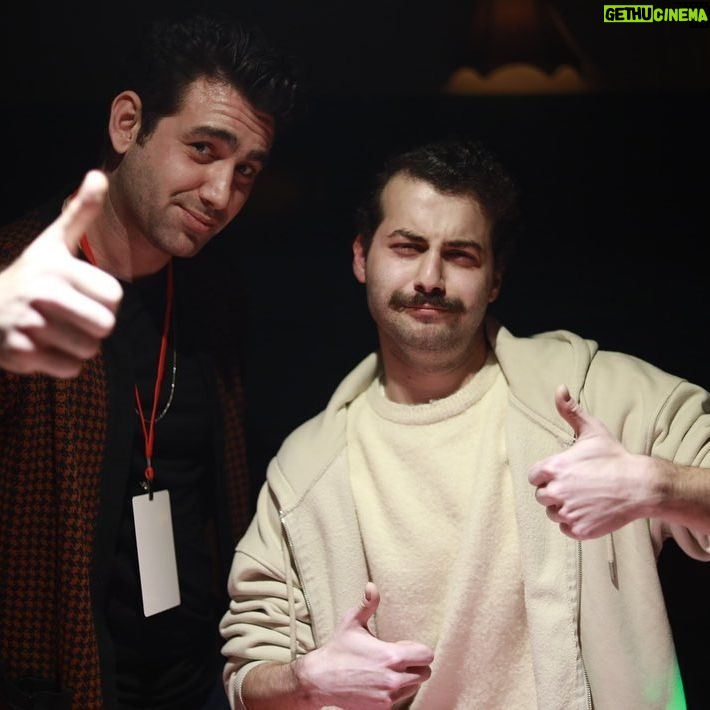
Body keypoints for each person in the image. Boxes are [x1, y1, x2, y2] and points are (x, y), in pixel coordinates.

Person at [220, 137, 710, 709]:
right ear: (361, 257)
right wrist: (307, 681)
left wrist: (655, 485)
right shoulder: (306, 468)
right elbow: (248, 675)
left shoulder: (600, 396)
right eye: (407, 247)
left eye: (460, 255)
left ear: (495, 278)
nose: (430, 277)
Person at [0, 12, 297, 710]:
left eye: (245, 171)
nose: (221, 194)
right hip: (59, 683)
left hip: (196, 678)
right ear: (127, 123)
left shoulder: (215, 296)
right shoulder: (21, 279)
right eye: (202, 148)